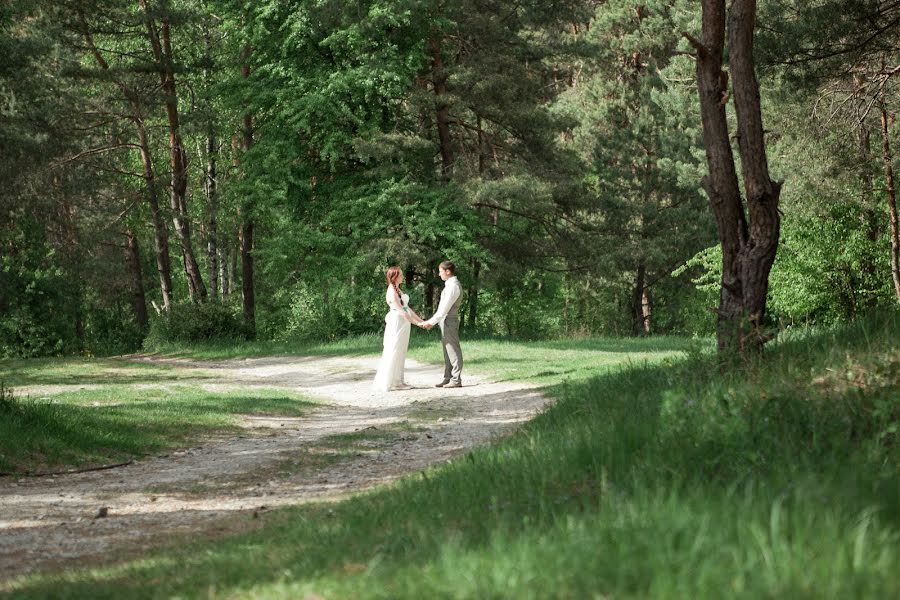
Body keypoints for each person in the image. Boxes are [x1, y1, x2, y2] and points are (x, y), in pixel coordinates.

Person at [373, 266, 425, 392]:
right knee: (395, 349)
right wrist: (415, 323)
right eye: (400, 274)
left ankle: (398, 380)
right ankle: (393, 382)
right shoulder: (391, 291)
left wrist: (420, 321)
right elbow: (400, 310)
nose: (402, 276)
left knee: (401, 351)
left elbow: (407, 308)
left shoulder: (398, 290)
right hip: (397, 322)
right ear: (395, 276)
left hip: (404, 323)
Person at [418, 260, 463, 388]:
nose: (439, 274)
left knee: (453, 349)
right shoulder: (449, 285)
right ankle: (448, 377)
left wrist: (430, 322)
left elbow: (444, 309)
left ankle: (456, 379)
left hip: (450, 319)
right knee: (447, 350)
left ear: (448, 271)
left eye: (440, 271)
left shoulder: (453, 286)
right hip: (445, 320)